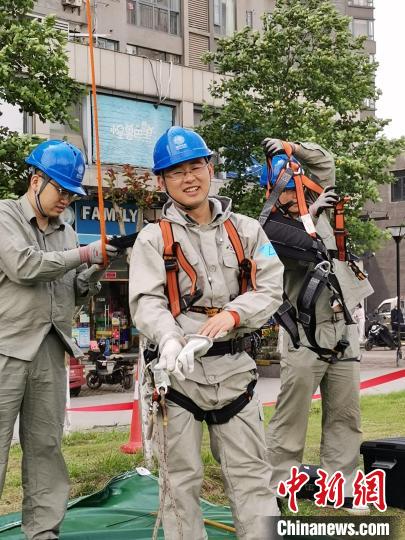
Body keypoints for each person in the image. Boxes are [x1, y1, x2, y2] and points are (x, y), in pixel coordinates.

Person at [129, 126, 284, 540]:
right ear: (162, 181)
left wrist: (231, 317)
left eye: (195, 166)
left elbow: (271, 286)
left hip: (235, 371)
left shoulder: (248, 230)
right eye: (176, 172)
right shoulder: (152, 238)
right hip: (176, 377)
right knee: (179, 483)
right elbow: (147, 300)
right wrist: (169, 338)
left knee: (253, 477)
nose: (189, 178)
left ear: (210, 167)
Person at [0, 140, 119, 540]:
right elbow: (24, 266)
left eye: (71, 193)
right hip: (6, 347)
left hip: (50, 347)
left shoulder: (67, 230)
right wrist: (84, 254)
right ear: (36, 181)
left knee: (46, 446)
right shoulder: (4, 214)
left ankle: (43, 531)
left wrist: (98, 268)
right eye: (61, 190)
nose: (65, 200)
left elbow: (74, 290)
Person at [260, 138, 373, 514]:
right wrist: (309, 217)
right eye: (288, 191)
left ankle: (339, 487)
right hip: (304, 333)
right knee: (291, 417)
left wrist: (290, 148)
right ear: (275, 195)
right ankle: (276, 485)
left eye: (299, 188)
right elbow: (302, 251)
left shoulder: (320, 209)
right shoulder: (271, 231)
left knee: (345, 414)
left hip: (343, 328)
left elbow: (325, 161)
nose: (296, 197)